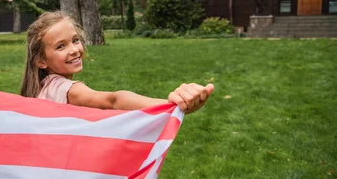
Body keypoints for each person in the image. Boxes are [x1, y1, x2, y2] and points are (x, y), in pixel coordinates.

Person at [20, 11, 214, 113]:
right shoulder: (67, 89)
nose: (74, 50)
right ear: (41, 61)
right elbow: (113, 101)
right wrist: (169, 106)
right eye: (60, 46)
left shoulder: (41, 86)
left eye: (75, 40)